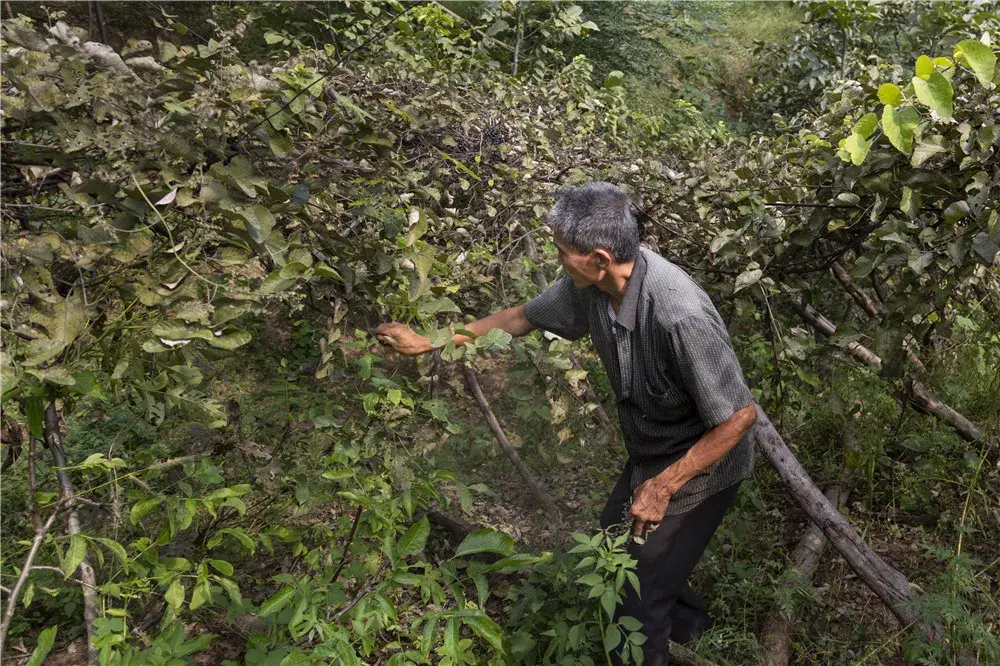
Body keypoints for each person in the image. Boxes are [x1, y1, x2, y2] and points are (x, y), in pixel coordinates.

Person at [375, 182, 758, 665]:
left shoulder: (678, 313)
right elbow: (518, 318)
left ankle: (651, 642)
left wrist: (663, 487)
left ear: (599, 257)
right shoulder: (593, 288)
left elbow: (739, 417)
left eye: (561, 251)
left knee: (635, 591)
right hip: (651, 449)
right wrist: (428, 342)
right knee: (612, 540)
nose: (557, 260)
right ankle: (689, 631)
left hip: (704, 463)